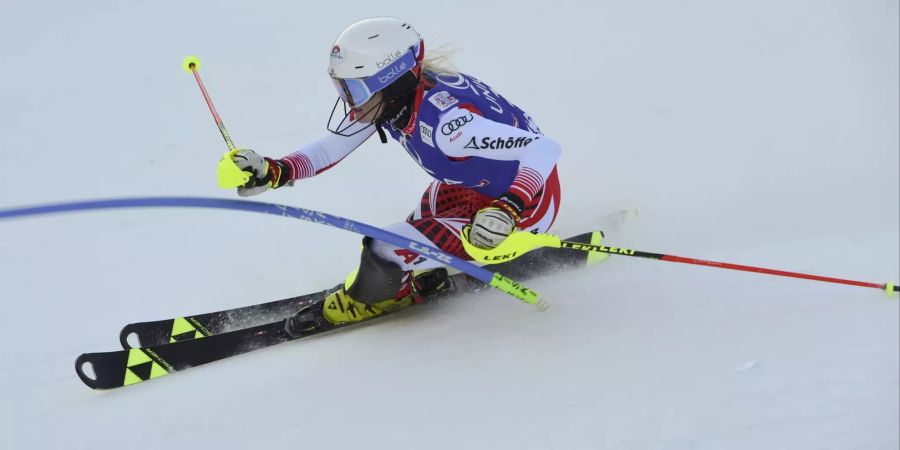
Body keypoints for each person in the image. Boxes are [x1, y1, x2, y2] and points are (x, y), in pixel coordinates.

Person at [230, 17, 562, 327]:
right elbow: (331, 147)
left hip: (524, 206)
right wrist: (277, 171)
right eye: (342, 89)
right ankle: (407, 274)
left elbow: (543, 148)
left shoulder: (451, 126)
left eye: (354, 91)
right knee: (413, 225)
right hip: (472, 188)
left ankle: (385, 297)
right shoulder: (394, 100)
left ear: (392, 81)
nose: (349, 103)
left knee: (382, 248)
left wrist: (508, 207)